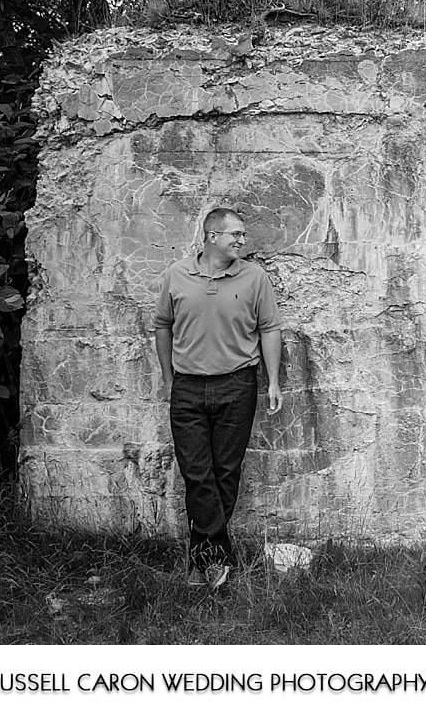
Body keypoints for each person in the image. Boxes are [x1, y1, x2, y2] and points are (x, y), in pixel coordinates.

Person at [155, 207, 283, 590]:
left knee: (225, 473)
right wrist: (166, 377)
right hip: (188, 388)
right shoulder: (177, 275)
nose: (242, 241)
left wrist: (272, 380)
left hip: (237, 385)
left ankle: (203, 562)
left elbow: (270, 327)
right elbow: (162, 325)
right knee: (197, 474)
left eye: (242, 235)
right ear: (212, 236)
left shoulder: (255, 277)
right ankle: (215, 559)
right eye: (235, 235)